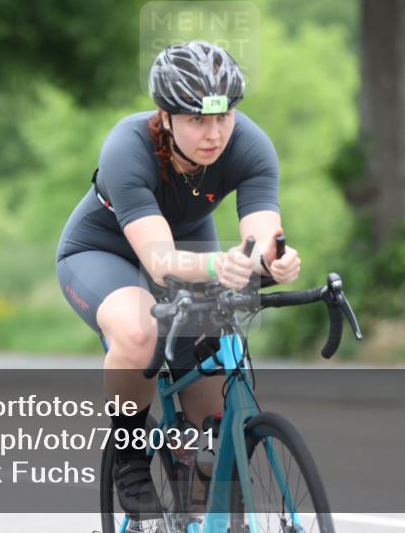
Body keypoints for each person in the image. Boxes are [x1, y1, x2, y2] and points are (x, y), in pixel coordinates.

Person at [55, 40, 301, 518]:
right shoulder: (127, 148)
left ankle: (199, 498)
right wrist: (217, 266)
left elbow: (261, 236)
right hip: (103, 252)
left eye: (223, 117)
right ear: (166, 116)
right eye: (196, 120)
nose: (214, 134)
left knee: (209, 406)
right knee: (139, 332)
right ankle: (129, 456)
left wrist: (275, 259)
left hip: (188, 245)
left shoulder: (249, 145)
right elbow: (161, 260)